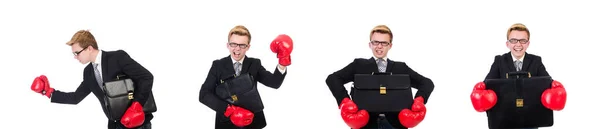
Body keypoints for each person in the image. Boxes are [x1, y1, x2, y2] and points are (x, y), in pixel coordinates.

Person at [30, 30, 155, 129]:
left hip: (138, 123)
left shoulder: (117, 58)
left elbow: (146, 77)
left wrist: (136, 106)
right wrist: (48, 92)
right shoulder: (88, 72)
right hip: (116, 125)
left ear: (89, 48)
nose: (75, 57)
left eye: (77, 53)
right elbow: (75, 98)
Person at [325, 25, 435, 129]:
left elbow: (427, 83)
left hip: (395, 125)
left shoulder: (401, 68)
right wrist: (345, 101)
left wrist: (419, 100)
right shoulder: (359, 65)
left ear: (390, 45)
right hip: (365, 125)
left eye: (384, 43)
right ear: (370, 44)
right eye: (376, 42)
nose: (379, 46)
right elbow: (332, 79)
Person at [470, 23, 567, 129]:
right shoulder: (499, 61)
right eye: (513, 40)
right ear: (507, 43)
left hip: (530, 118)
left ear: (528, 43)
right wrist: (481, 94)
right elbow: (487, 84)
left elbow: (547, 83)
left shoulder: (536, 61)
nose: (518, 44)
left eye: (523, 40)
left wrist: (556, 91)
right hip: (504, 118)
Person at [198, 25, 293, 129]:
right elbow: (204, 94)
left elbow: (274, 83)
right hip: (226, 123)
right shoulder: (218, 65)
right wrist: (229, 110)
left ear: (248, 47)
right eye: (233, 44)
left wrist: (283, 60)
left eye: (242, 45)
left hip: (253, 123)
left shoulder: (255, 64)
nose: (237, 49)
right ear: (228, 45)